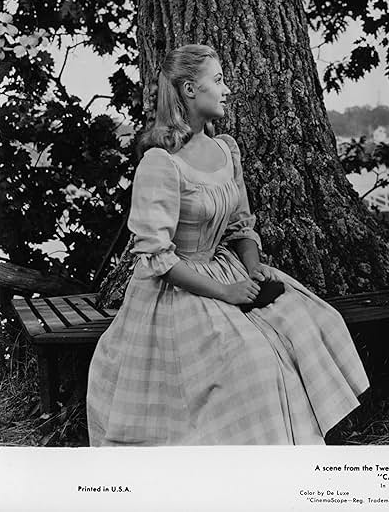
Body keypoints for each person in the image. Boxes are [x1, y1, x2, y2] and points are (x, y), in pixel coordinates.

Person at [87, 44, 369, 445]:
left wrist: (252, 271)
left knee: (308, 322)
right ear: (189, 89)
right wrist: (227, 292)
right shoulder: (161, 162)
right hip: (178, 290)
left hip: (228, 269)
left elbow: (240, 224)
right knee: (252, 361)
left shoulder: (225, 149)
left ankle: (295, 454)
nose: (227, 89)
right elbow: (157, 257)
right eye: (217, 81)